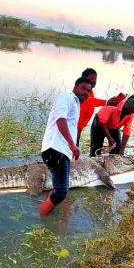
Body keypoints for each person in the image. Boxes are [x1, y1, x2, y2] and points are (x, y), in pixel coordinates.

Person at [39, 76, 93, 216]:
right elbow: (60, 119)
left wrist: (73, 146)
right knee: (61, 192)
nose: (86, 92)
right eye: (84, 88)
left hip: (62, 151)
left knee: (60, 189)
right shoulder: (67, 97)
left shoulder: (76, 103)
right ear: (75, 86)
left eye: (89, 91)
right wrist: (72, 144)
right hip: (56, 149)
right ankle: (42, 217)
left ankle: (46, 210)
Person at [76, 68, 126, 146]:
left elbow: (92, 102)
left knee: (75, 145)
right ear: (84, 79)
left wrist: (111, 102)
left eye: (95, 78)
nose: (94, 81)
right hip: (75, 125)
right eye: (92, 78)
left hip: (80, 127)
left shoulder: (90, 92)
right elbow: (89, 100)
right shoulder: (82, 92)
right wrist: (106, 102)